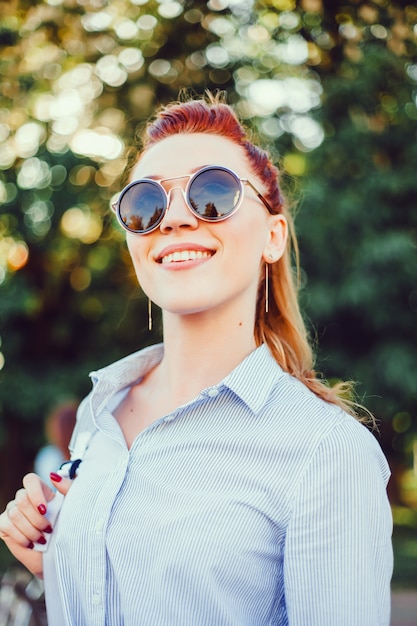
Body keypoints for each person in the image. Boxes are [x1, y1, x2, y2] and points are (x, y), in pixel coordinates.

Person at [0, 92, 393, 626]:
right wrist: (63, 561)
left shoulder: (325, 451)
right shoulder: (101, 410)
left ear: (273, 236)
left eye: (213, 192)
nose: (176, 219)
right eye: (146, 203)